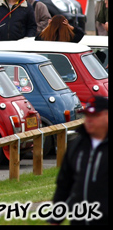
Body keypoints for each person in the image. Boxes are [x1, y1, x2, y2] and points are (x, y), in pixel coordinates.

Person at [51, 96, 108, 226]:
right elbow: (64, 184)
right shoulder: (77, 145)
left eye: (94, 116)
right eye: (87, 115)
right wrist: (55, 219)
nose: (89, 120)